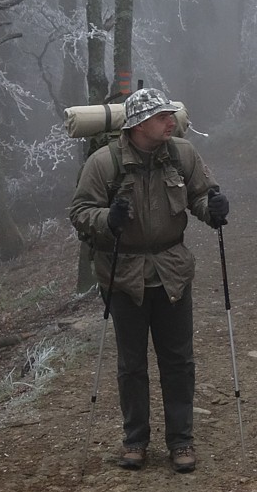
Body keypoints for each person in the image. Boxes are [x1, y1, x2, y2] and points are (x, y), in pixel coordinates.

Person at [69, 87, 230, 472]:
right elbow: (80, 211)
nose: (170, 121)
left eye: (170, 114)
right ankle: (135, 441)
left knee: (178, 360)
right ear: (139, 124)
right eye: (161, 117)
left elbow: (201, 198)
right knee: (131, 363)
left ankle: (181, 442)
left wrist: (215, 209)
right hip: (123, 276)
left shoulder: (182, 154)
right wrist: (107, 220)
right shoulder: (102, 163)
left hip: (173, 272)